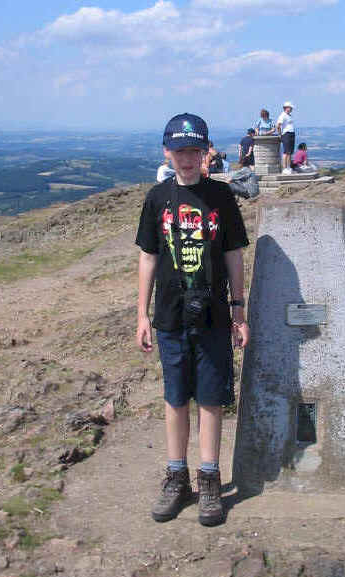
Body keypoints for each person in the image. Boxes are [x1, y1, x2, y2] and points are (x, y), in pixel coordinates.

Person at [135, 113, 250, 527]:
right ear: (167, 151)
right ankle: (176, 477)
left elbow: (234, 254)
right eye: (179, 150)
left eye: (194, 151)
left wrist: (240, 309)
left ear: (205, 153)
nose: (186, 158)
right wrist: (141, 315)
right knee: (175, 397)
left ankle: (209, 479)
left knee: (211, 398)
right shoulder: (156, 197)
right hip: (169, 315)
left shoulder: (221, 198)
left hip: (216, 316)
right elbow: (148, 257)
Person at [276, 101, 296, 174]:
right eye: (290, 108)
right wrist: (280, 134)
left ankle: (288, 167)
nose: (291, 109)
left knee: (289, 152)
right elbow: (278, 125)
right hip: (286, 134)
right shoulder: (283, 115)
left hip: (291, 133)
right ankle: (284, 168)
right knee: (286, 152)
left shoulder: (289, 115)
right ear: (286, 108)